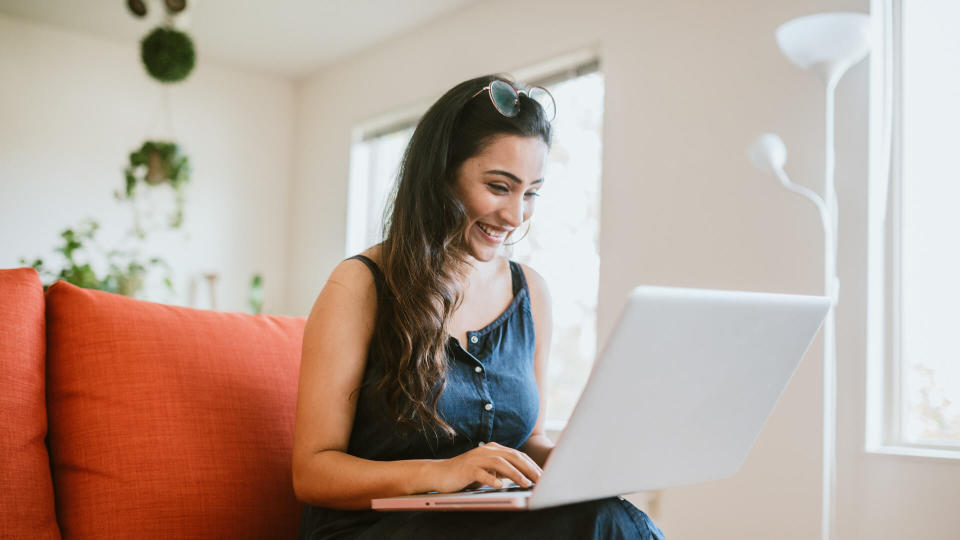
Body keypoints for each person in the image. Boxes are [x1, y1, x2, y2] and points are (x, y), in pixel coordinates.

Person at [293, 74, 666, 539]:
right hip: (378, 528)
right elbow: (313, 472)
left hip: (487, 524)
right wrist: (443, 472)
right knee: (603, 525)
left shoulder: (531, 292)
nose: (515, 217)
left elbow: (528, 443)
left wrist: (585, 459)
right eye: (498, 186)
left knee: (609, 513)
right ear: (440, 176)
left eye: (530, 193)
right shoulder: (360, 285)